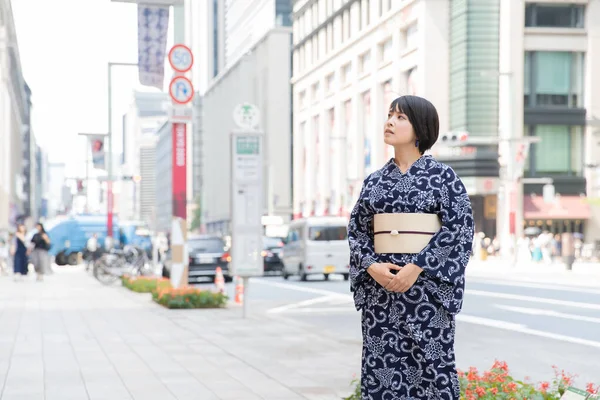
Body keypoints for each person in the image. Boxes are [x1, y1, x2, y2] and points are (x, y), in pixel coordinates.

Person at [348, 95, 474, 399]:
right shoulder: (374, 181)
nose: (390, 121)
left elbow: (459, 229)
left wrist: (417, 267)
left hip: (426, 293)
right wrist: (371, 266)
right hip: (382, 293)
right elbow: (357, 230)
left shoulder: (444, 178)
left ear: (420, 129)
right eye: (389, 115)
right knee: (382, 371)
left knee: (433, 370)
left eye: (400, 117)